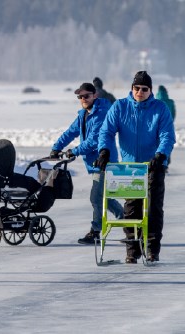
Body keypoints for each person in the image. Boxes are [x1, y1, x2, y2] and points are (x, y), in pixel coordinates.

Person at [97, 71, 175, 263]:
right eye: (136, 88)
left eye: (144, 89)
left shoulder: (160, 109)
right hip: (130, 167)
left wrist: (160, 154)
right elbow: (106, 132)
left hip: (153, 166)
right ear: (132, 88)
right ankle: (132, 249)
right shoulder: (120, 107)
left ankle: (152, 249)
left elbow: (167, 135)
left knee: (153, 208)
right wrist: (104, 150)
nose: (140, 92)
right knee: (131, 208)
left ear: (151, 90)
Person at [51, 82, 123, 245]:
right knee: (106, 197)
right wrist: (56, 147)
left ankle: (95, 231)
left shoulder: (102, 113)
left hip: (105, 161)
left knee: (96, 198)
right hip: (94, 163)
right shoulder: (83, 114)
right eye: (80, 96)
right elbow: (70, 132)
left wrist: (74, 151)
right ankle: (128, 223)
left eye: (86, 96)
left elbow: (94, 140)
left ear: (95, 95)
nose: (83, 99)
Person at [157, 85, 177, 167]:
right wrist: (170, 122)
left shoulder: (156, 101)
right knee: (167, 144)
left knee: (158, 144)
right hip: (168, 125)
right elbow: (173, 113)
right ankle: (166, 163)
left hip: (157, 126)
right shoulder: (170, 102)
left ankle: (157, 163)